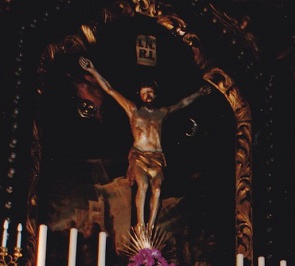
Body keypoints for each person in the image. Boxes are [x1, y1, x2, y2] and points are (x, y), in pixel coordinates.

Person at [79, 56, 211, 237]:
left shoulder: (161, 112)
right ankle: (141, 224)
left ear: (155, 94)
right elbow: (110, 90)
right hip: (140, 155)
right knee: (143, 185)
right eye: (144, 92)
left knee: (157, 189)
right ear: (140, 95)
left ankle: (151, 227)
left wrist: (198, 94)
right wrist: (92, 70)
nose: (148, 95)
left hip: (156, 157)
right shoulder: (133, 110)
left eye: (150, 92)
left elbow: (181, 103)